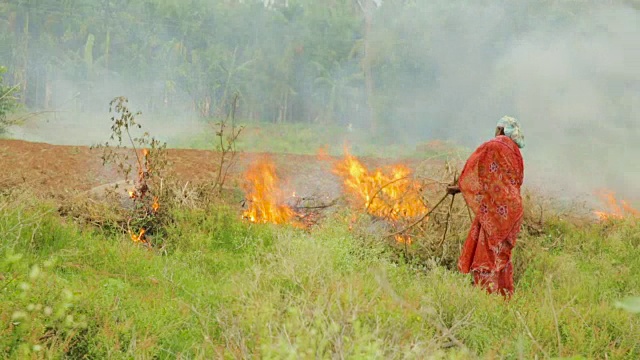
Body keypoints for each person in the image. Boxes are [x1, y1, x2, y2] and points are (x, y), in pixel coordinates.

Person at [446, 116, 525, 297]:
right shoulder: (515, 153)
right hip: (513, 210)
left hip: (497, 209)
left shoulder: (494, 145)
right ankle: (503, 296)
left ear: (501, 130)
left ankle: (485, 297)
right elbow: (500, 181)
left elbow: (476, 171)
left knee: (486, 254)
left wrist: (458, 187)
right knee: (502, 254)